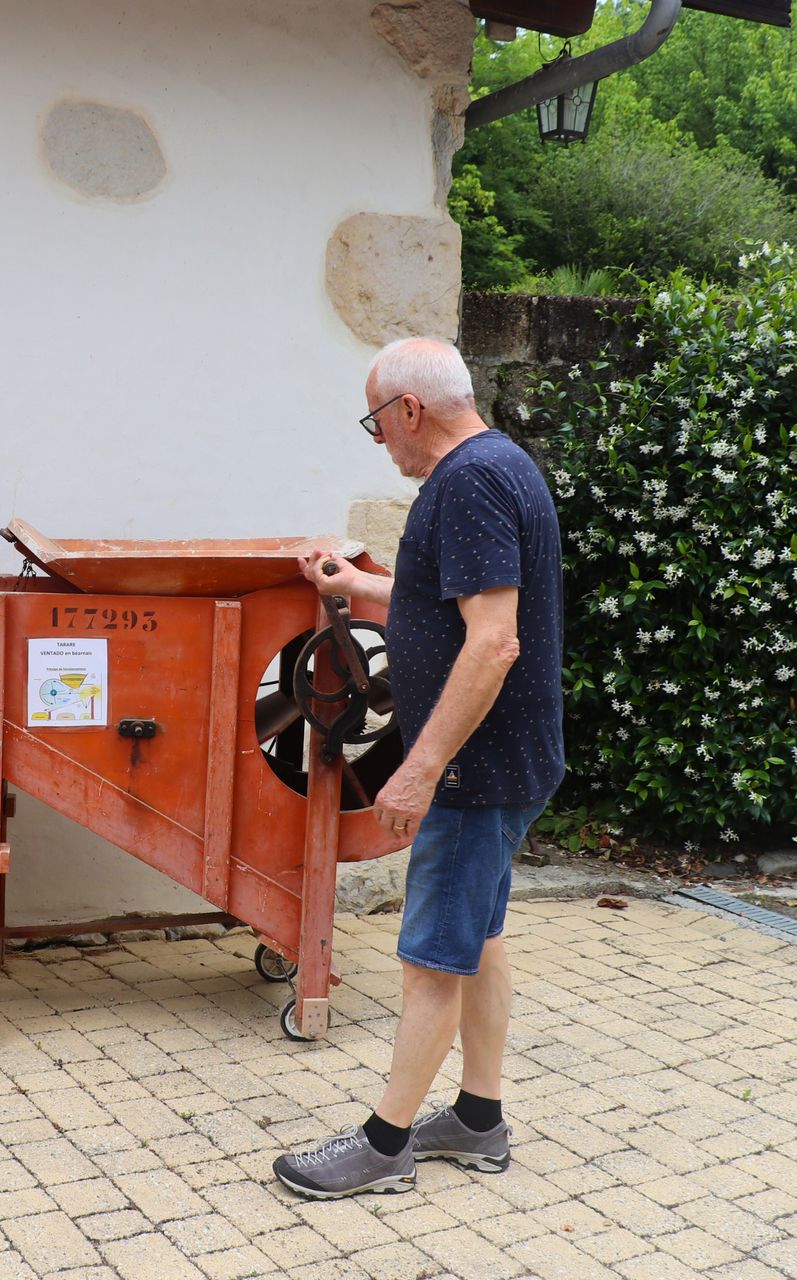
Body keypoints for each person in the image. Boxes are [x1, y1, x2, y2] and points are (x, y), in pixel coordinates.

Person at [271, 336, 565, 1199]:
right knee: (479, 937)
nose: (378, 443)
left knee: (433, 958)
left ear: (408, 410)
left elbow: (493, 640)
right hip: (510, 759)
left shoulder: (467, 482)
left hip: (477, 772)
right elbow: (453, 599)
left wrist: (420, 767)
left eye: (376, 422)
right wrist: (356, 586)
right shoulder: (498, 463)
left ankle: (386, 1143)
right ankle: (478, 1120)